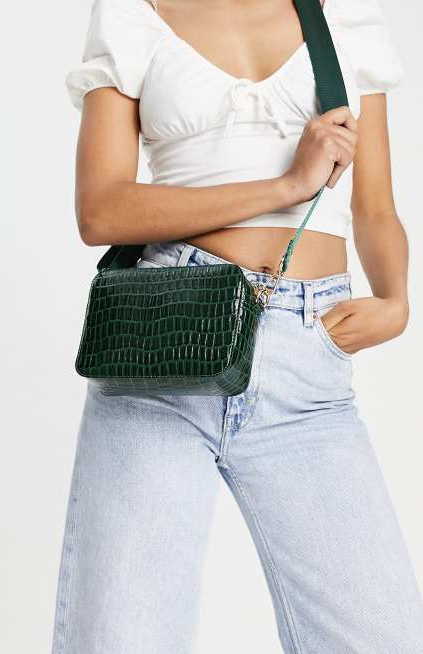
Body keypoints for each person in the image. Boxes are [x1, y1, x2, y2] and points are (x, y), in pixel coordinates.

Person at [51, 1, 423, 652]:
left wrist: (395, 299)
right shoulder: (135, 13)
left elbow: (374, 206)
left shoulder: (342, 18)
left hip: (306, 362)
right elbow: (101, 210)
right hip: (164, 346)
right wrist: (285, 186)